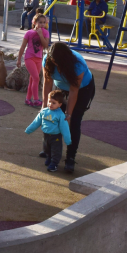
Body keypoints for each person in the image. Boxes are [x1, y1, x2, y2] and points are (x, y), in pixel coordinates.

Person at [41, 42, 95, 174]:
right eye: (55, 63)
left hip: (82, 90)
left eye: (60, 64)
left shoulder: (78, 64)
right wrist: (44, 106)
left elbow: (73, 91)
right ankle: (51, 151)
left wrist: (68, 115)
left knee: (73, 122)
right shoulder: (47, 60)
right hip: (60, 89)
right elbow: (47, 84)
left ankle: (70, 157)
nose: (57, 67)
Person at [25, 90, 70, 172]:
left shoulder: (60, 115)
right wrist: (29, 129)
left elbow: (64, 127)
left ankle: (54, 164)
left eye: (54, 103)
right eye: (49, 101)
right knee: (46, 148)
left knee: (56, 150)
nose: (50, 104)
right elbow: (37, 121)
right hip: (46, 135)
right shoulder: (44, 111)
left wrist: (67, 139)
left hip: (56, 136)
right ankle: (49, 157)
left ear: (59, 105)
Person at [17, 11, 49, 107]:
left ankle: (28, 99)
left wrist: (40, 35)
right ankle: (35, 99)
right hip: (29, 58)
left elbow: (46, 45)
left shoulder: (45, 33)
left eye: (44, 22)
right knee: (36, 78)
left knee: (32, 79)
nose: (42, 24)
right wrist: (19, 59)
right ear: (34, 22)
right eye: (40, 22)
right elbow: (23, 47)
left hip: (39, 58)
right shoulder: (29, 33)